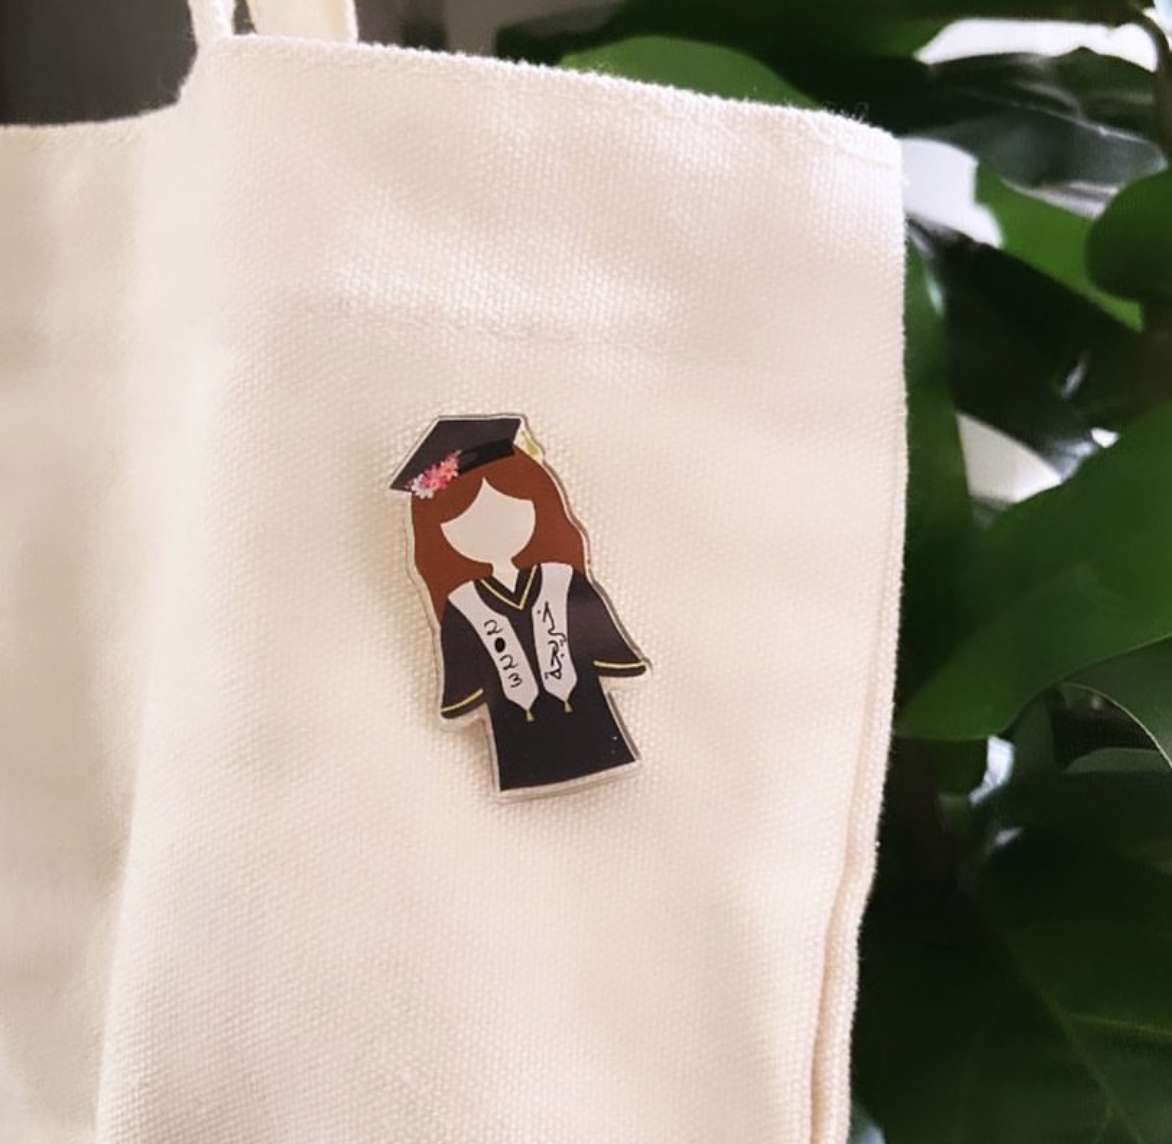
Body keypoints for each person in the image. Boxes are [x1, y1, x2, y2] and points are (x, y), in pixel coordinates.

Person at [390, 415, 648, 799]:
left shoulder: (564, 581)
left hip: (593, 728)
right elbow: (463, 682)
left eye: (508, 510)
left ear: (538, 506)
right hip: (518, 745)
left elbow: (604, 646)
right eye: (465, 523)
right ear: (440, 535)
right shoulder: (463, 607)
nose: (490, 529)